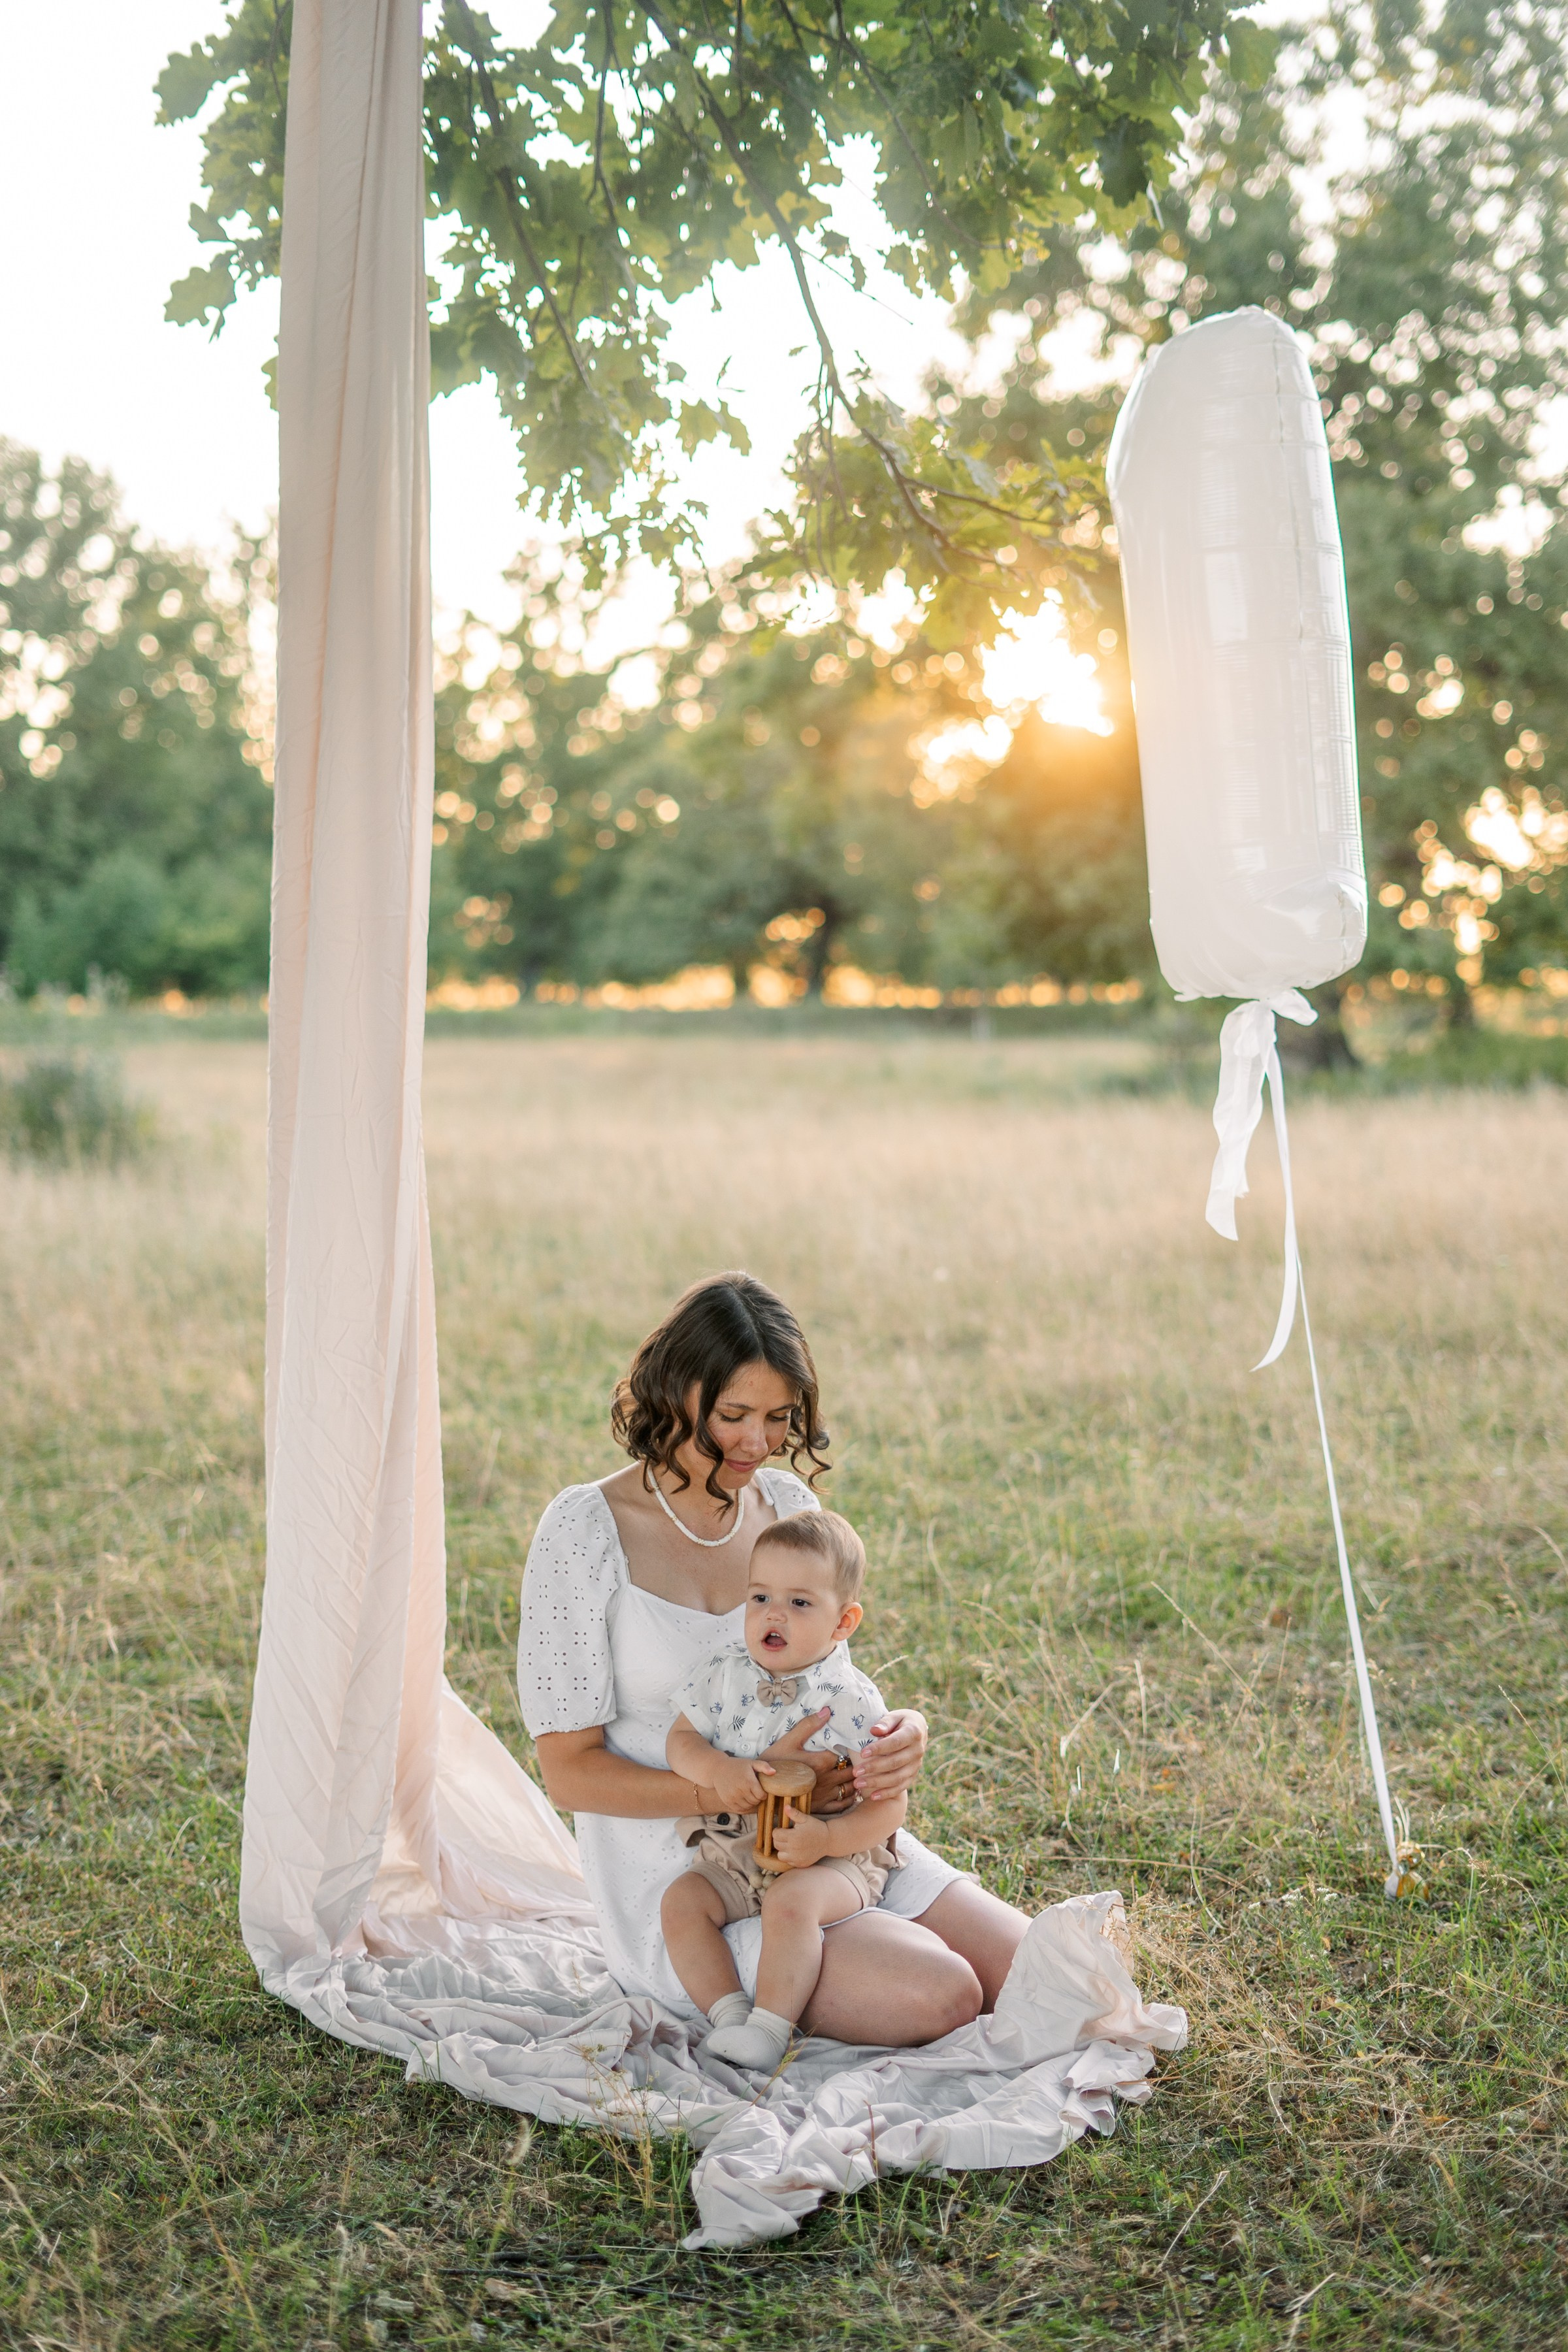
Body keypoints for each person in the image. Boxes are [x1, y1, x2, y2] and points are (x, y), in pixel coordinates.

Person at [517, 1271, 1028, 2045]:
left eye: (778, 1418)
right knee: (943, 1994)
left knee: (1045, 1974)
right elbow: (567, 1772)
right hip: (691, 1876)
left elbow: (833, 1691)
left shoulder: (790, 1509)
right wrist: (728, 1787)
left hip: (827, 1841)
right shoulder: (583, 1531)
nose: (757, 1443)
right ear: (674, 1393)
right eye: (733, 1416)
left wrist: (899, 1737)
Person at [662, 1509, 906, 2068]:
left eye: (799, 1603)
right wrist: (718, 1770)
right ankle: (727, 2017)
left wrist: (826, 1839)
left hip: (830, 1855)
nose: (774, 1614)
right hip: (741, 1844)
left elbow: (891, 1805)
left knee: (793, 1901)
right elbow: (681, 1741)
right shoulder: (724, 1671)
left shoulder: (851, 1699)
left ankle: (770, 2030)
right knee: (683, 1901)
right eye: (760, 1598)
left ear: (843, 1623)